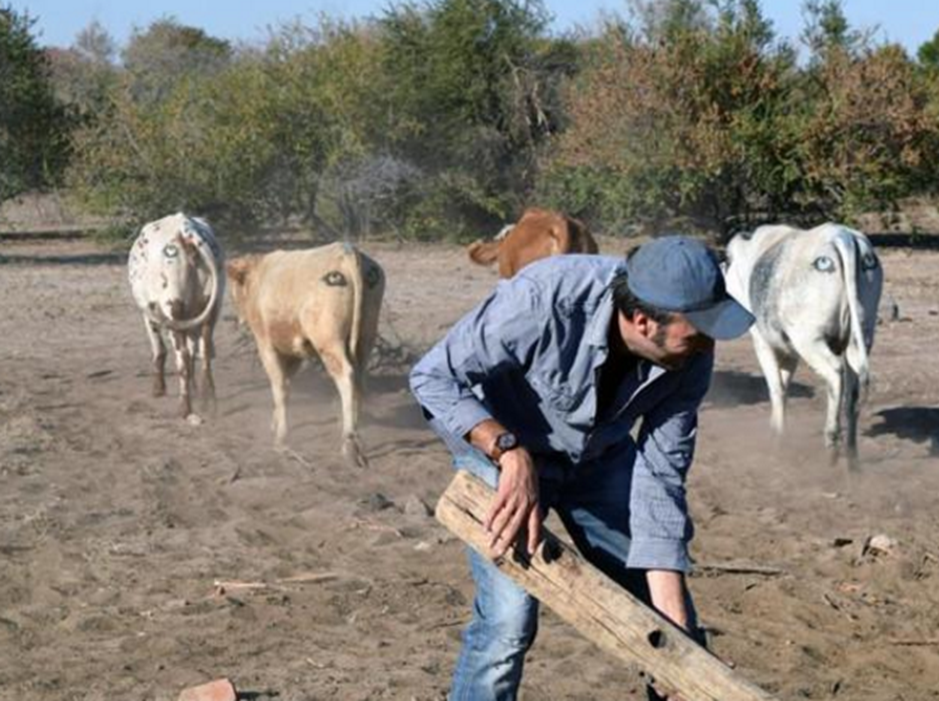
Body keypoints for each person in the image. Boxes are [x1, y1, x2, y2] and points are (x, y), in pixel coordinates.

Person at [409, 235, 754, 701]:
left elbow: (661, 479)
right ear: (642, 320)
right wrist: (509, 451)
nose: (707, 346)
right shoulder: (544, 298)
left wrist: (677, 639)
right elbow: (433, 376)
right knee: (509, 619)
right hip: (501, 448)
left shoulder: (690, 358)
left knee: (671, 622)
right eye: (696, 333)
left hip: (598, 457)